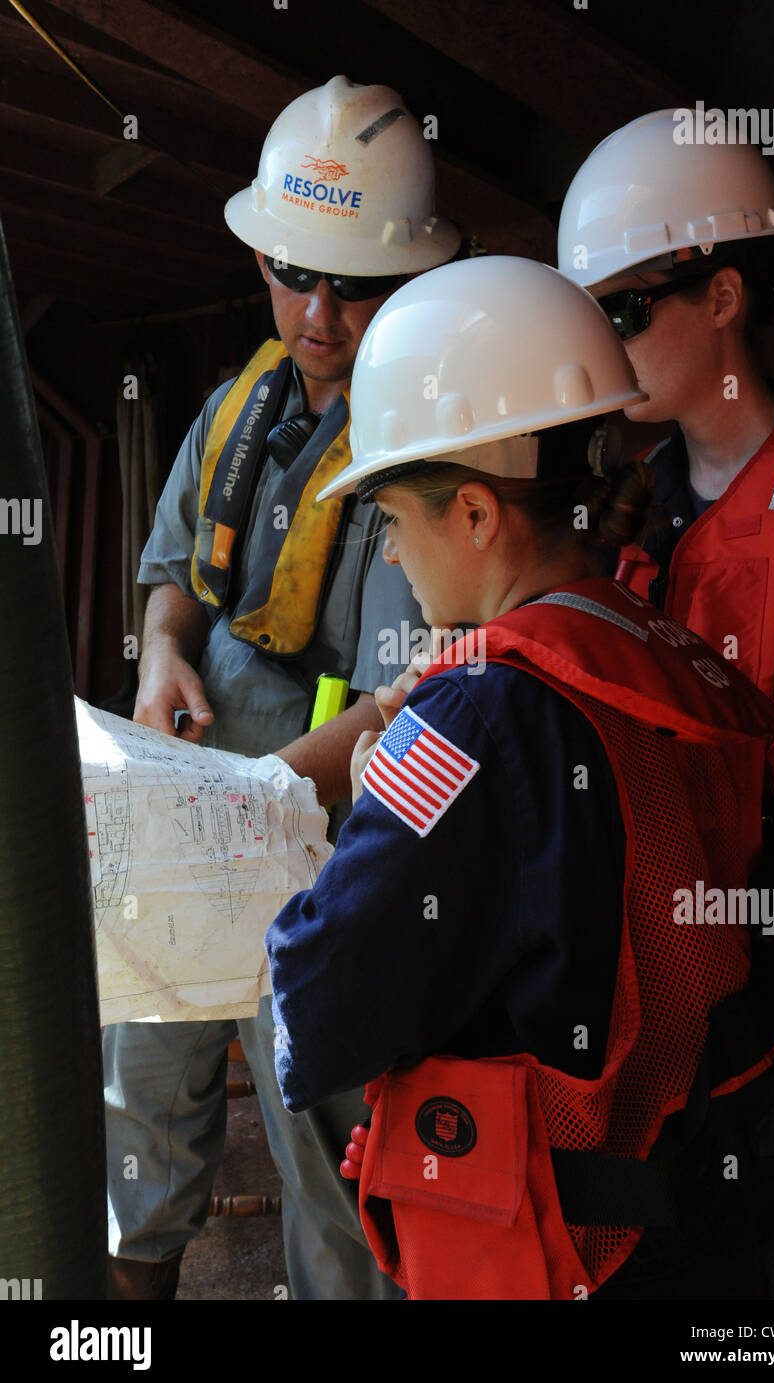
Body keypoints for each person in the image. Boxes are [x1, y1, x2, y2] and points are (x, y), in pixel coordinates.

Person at [265, 255, 774, 1300]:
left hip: (565, 1250)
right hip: (704, 1229)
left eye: (387, 516)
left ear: (473, 515)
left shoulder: (472, 714)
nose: (387, 557)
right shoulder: (658, 644)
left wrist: (365, 814)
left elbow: (324, 1002)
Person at [103, 75, 461, 1301]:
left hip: (319, 843)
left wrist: (248, 798)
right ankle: (129, 1311)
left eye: (352, 286)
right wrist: (161, 657)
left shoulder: (425, 445)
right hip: (192, 809)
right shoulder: (231, 412)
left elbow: (403, 697)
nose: (317, 314)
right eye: (293, 273)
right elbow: (169, 578)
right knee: (141, 1076)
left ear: (406, 281)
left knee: (322, 1131)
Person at [557, 108, 774, 1295]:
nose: (605, 345)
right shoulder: (635, 509)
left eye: (626, 312)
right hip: (677, 1043)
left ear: (724, 296)